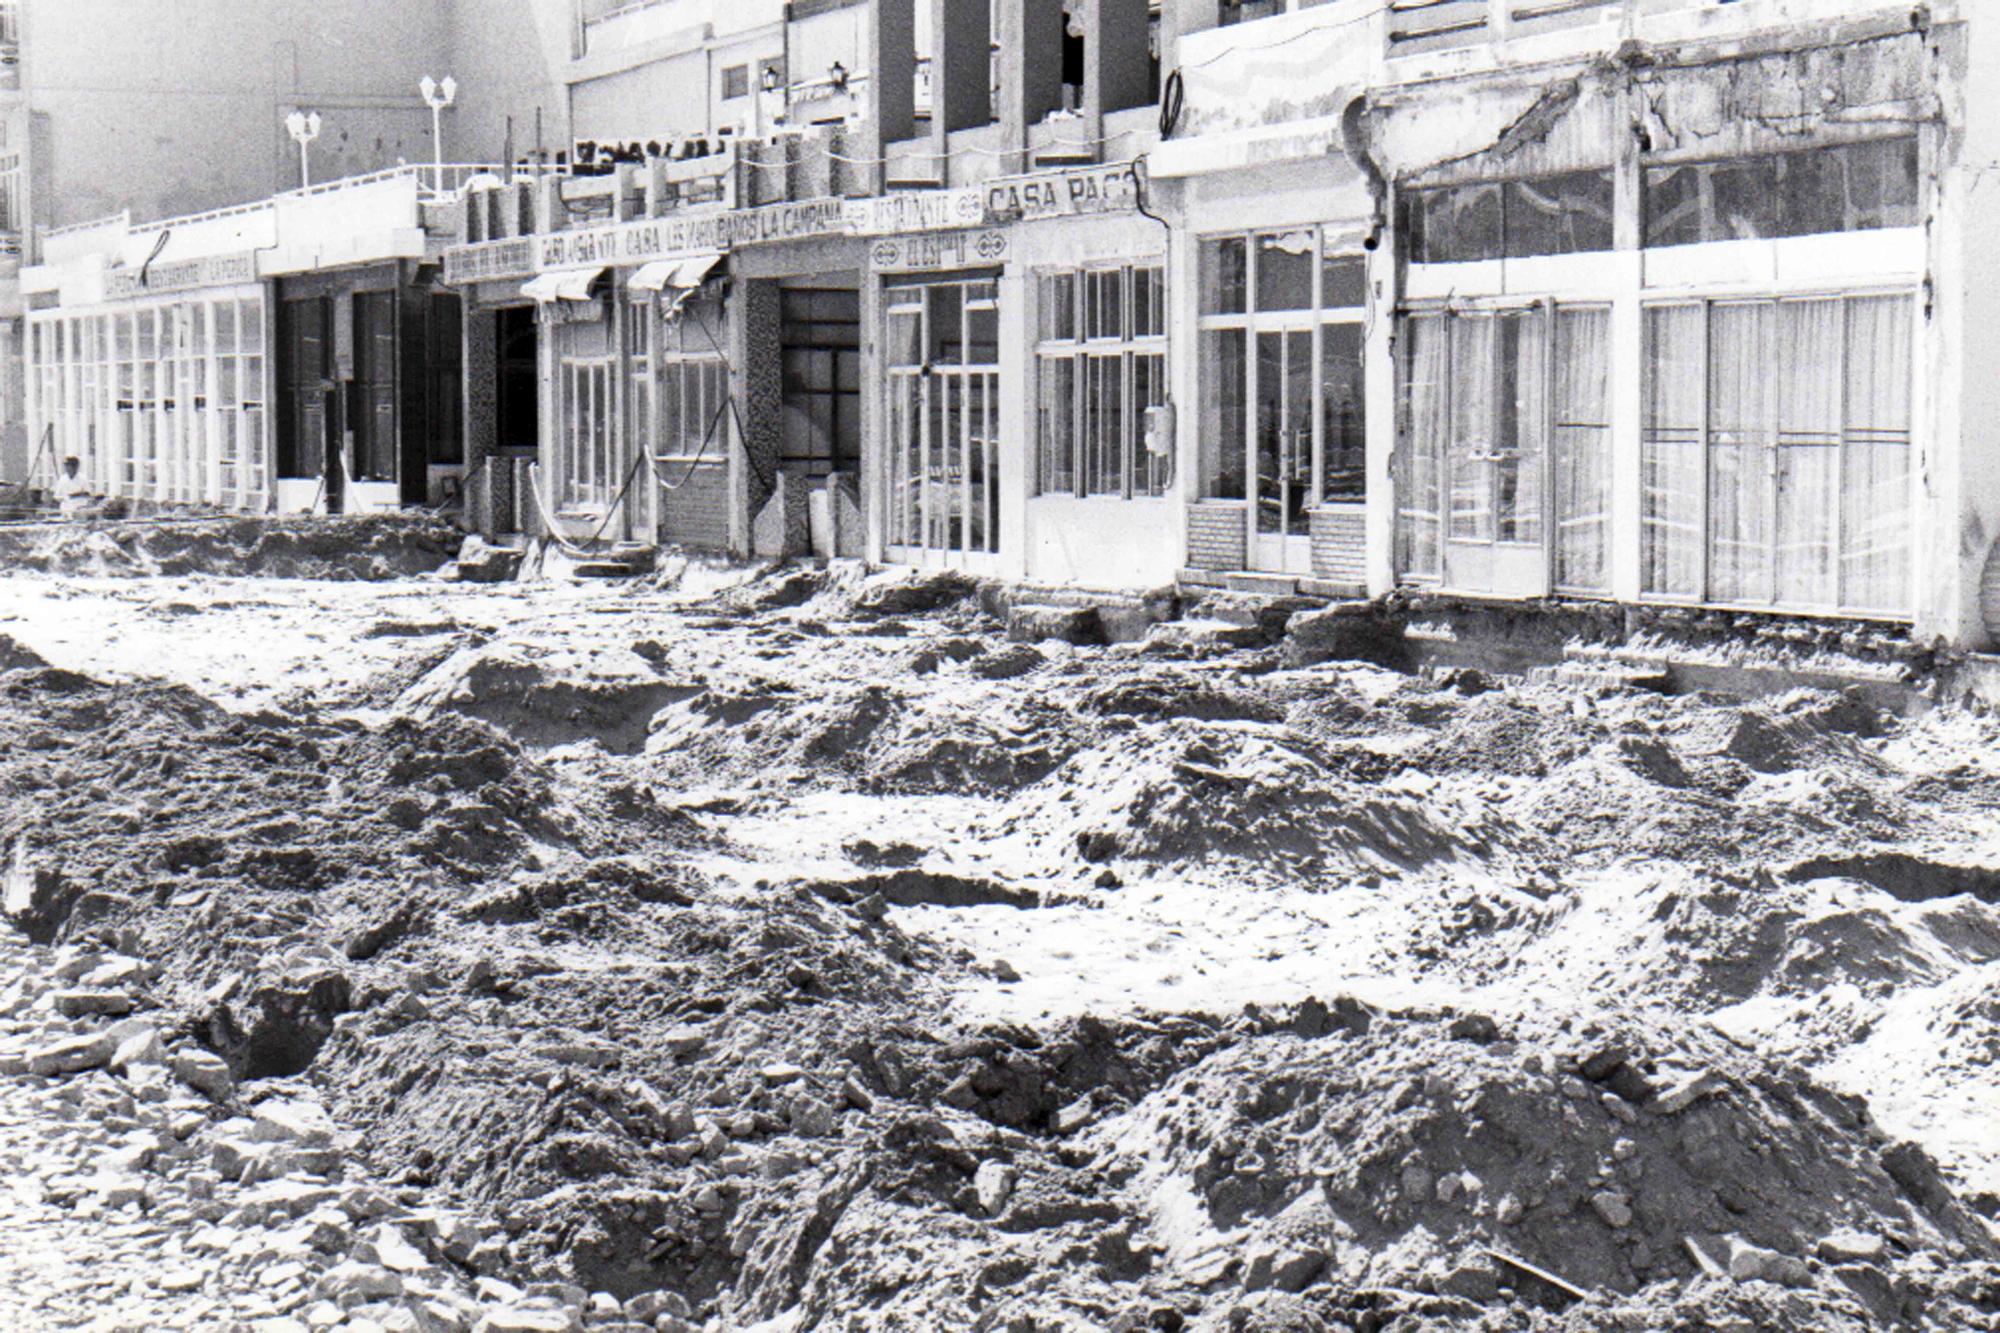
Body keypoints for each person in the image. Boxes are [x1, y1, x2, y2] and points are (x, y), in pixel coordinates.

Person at [54, 456, 91, 520]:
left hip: (79, 509)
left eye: (70, 466)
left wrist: (77, 494)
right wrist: (65, 498)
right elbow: (56, 496)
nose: (68, 468)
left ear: (76, 467)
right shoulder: (62, 479)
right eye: (67, 466)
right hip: (66, 509)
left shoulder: (83, 478)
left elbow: (88, 494)